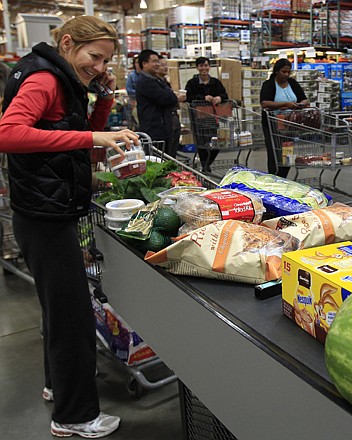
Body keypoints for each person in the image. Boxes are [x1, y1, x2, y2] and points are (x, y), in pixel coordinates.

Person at [0, 15, 140, 438]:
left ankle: (55, 385)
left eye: (106, 61)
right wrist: (94, 140)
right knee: (74, 316)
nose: (99, 66)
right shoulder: (45, 80)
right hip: (45, 217)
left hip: (44, 209)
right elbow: (8, 134)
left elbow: (81, 135)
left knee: (59, 311)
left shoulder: (61, 79)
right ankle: (75, 416)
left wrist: (102, 101)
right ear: (66, 44)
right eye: (94, 57)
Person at [260, 58, 309, 178]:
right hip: (272, 125)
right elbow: (265, 103)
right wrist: (285, 104)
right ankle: (273, 178)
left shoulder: (292, 83)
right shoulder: (269, 84)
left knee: (287, 153)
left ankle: (283, 178)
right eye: (284, 72)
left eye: (288, 72)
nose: (286, 75)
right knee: (275, 153)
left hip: (289, 124)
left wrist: (301, 104)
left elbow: (305, 99)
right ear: (277, 71)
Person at [135, 49, 185, 155]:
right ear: (144, 64)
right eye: (154, 61)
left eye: (158, 61)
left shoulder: (156, 80)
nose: (157, 64)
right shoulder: (146, 82)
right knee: (158, 160)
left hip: (162, 127)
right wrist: (174, 97)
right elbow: (167, 98)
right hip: (154, 130)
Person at [185, 56, 229, 173]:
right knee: (201, 143)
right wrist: (203, 98)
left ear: (209, 67)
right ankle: (205, 166)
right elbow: (188, 97)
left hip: (213, 117)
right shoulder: (192, 83)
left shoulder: (216, 82)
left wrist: (219, 98)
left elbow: (224, 95)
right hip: (198, 118)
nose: (204, 68)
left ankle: (206, 164)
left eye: (206, 65)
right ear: (197, 67)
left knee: (216, 142)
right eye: (201, 65)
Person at [156, 55, 181, 157]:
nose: (165, 67)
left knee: (173, 149)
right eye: (162, 65)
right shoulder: (155, 84)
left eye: (166, 65)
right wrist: (176, 98)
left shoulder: (165, 82)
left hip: (173, 118)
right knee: (166, 152)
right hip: (164, 122)